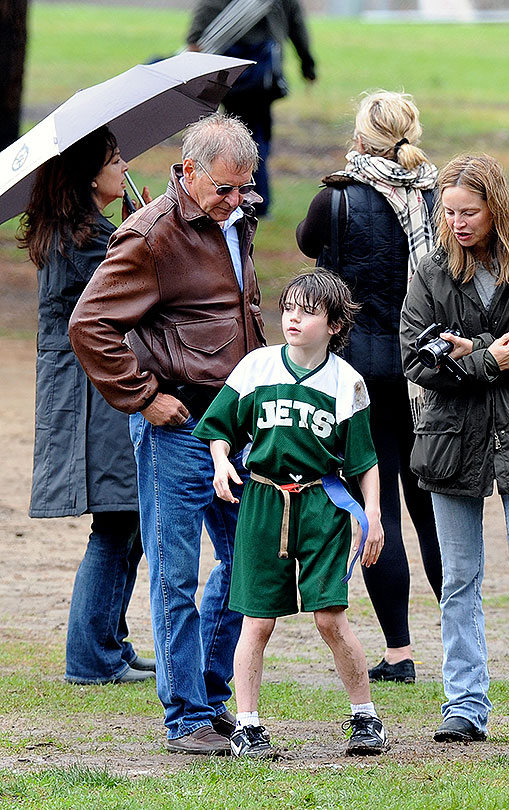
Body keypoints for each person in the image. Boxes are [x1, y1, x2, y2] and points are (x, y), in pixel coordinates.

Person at [68, 113, 266, 755]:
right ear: (188, 172)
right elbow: (89, 324)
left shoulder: (239, 222)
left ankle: (208, 698)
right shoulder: (149, 235)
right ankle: (186, 717)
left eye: (247, 188)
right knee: (176, 574)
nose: (238, 202)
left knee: (249, 563)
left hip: (234, 424)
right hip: (176, 425)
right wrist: (143, 398)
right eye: (225, 190)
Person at [400, 153, 509, 742]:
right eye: (447, 212)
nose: (456, 222)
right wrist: (490, 358)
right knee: (458, 577)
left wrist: (473, 356)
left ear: (494, 207)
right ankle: (464, 706)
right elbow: (416, 359)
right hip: (450, 439)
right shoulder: (430, 273)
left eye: (468, 212)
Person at [193, 269, 389, 758]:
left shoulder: (348, 382)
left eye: (307, 310)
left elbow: (364, 460)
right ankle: (247, 726)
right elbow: (219, 426)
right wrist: (221, 462)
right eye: (288, 309)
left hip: (322, 504)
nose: (293, 318)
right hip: (261, 501)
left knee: (330, 617)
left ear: (335, 324)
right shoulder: (256, 367)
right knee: (256, 621)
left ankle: (365, 719)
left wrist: (375, 517)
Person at [296, 90, 442, 684]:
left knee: (377, 504)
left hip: (361, 371)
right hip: (427, 370)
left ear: (360, 138)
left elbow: (309, 246)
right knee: (431, 504)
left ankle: (400, 652)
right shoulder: (437, 196)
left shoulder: (337, 199)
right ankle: (464, 641)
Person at [18, 127, 155, 685]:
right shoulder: (85, 243)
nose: (123, 167)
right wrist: (142, 231)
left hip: (92, 391)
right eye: (115, 159)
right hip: (92, 395)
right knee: (118, 521)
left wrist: (129, 226)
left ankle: (108, 643)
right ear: (88, 175)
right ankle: (91, 657)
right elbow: (142, 284)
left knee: (128, 518)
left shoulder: (88, 232)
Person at [186, 0, 317, 217]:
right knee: (257, 137)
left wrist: (196, 39)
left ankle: (241, 196)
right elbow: (296, 23)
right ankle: (256, 201)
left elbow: (205, 15)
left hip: (228, 73)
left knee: (235, 133)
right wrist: (308, 64)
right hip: (260, 75)